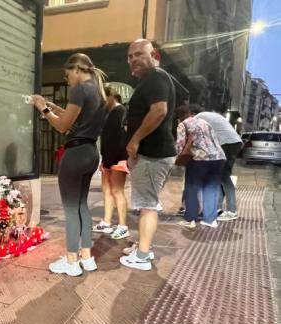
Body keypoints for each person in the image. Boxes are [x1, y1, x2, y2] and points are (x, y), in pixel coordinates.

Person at [31, 53, 107, 276]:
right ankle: (86, 257)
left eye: (67, 76)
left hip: (75, 154)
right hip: (92, 152)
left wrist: (43, 109)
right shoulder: (99, 91)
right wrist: (54, 108)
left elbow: (64, 127)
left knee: (71, 209)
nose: (67, 80)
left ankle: (72, 261)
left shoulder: (80, 89)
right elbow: (76, 120)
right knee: (82, 206)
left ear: (76, 70)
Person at [119, 39, 177, 271]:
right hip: (153, 154)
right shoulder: (153, 79)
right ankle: (142, 246)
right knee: (146, 204)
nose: (133, 60)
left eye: (138, 54)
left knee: (147, 205)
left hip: (151, 155)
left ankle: (142, 255)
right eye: (130, 56)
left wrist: (134, 141)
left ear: (155, 55)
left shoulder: (155, 77)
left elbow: (159, 110)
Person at [175, 105, 226, 228]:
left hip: (199, 159)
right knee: (211, 188)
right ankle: (210, 220)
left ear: (179, 117)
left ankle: (190, 219)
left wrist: (179, 157)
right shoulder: (205, 122)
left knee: (192, 187)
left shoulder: (183, 124)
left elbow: (180, 145)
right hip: (218, 158)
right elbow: (215, 140)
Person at [93, 87, 129, 239]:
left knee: (117, 191)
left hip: (118, 157)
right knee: (107, 190)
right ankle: (107, 222)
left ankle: (122, 225)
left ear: (111, 97)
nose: (101, 103)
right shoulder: (108, 112)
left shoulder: (120, 111)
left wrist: (110, 160)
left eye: (103, 99)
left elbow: (118, 138)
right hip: (108, 157)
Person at [195, 110, 242, 221]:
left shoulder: (198, 117)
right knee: (219, 177)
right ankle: (218, 208)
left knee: (223, 176)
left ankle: (232, 210)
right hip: (232, 143)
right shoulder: (206, 115)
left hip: (228, 144)